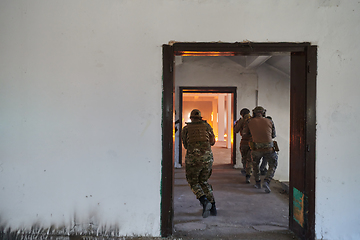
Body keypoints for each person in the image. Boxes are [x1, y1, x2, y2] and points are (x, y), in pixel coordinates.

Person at [181, 109, 217, 217]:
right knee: (204, 182)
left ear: (191, 118)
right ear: (200, 118)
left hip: (193, 160)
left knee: (193, 182)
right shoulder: (207, 127)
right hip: (207, 159)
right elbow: (212, 142)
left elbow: (186, 145)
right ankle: (213, 207)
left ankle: (204, 201)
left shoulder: (186, 129)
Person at [244, 106, 278, 193]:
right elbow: (273, 135)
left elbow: (245, 133)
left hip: (256, 148)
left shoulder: (249, 122)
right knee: (273, 165)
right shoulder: (269, 121)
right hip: (269, 148)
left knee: (255, 166)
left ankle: (258, 182)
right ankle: (267, 181)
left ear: (254, 113)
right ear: (263, 113)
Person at [234, 108, 253, 183]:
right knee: (250, 159)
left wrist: (237, 124)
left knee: (245, 158)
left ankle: (246, 171)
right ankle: (249, 174)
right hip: (253, 142)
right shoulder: (254, 120)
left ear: (242, 114)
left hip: (244, 142)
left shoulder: (241, 120)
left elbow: (236, 130)